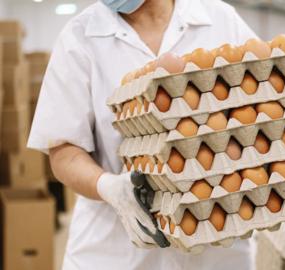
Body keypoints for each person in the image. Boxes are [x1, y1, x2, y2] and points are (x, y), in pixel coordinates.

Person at [27, 0, 257, 269]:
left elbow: (264, 109)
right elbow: (63, 151)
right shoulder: (80, 37)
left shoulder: (220, 20)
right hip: (114, 252)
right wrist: (110, 188)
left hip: (216, 253)